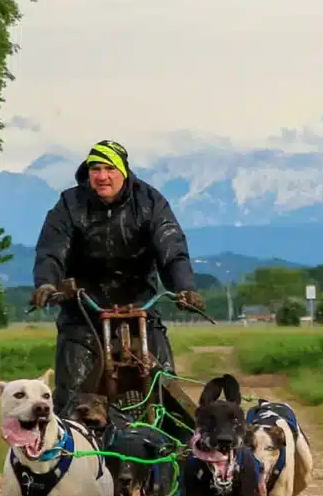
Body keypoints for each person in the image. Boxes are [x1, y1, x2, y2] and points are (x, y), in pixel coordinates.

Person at [30, 139, 206, 414]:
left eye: (109, 168)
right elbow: (52, 249)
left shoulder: (150, 201)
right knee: (70, 395)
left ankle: (181, 450)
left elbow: (171, 248)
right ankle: (65, 451)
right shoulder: (69, 204)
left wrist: (184, 287)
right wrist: (47, 283)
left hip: (141, 308)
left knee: (168, 388)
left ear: (123, 170)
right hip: (83, 311)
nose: (102, 176)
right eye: (95, 169)